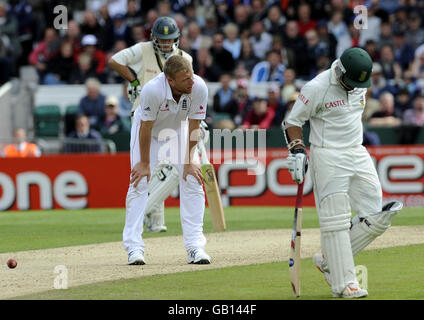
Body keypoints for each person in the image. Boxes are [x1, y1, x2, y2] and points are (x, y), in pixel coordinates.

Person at [283, 47, 403, 298]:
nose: (352, 87)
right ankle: (344, 284)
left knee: (377, 214)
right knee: (335, 221)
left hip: (357, 151)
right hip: (327, 154)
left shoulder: (359, 81)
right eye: (348, 82)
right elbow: (293, 122)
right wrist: (297, 149)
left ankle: (328, 262)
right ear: (339, 71)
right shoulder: (317, 87)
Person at [123, 55, 211, 265]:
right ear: (170, 80)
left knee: (193, 179)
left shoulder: (198, 86)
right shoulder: (152, 90)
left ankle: (195, 247)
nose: (191, 81)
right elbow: (145, 127)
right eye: (185, 79)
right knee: (139, 182)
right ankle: (134, 248)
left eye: (191, 75)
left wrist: (189, 161)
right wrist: (144, 164)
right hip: (148, 132)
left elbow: (194, 125)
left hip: (178, 131)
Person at [109, 16, 193, 233]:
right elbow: (115, 60)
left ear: (176, 38)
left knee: (168, 168)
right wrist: (134, 80)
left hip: (173, 118)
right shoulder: (143, 49)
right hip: (144, 116)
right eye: (162, 39)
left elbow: (190, 90)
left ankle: (151, 215)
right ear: (154, 38)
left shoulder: (185, 58)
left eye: (169, 39)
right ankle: (149, 215)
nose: (165, 43)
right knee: (149, 168)